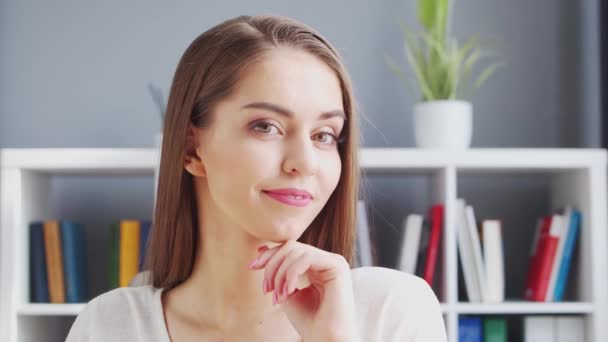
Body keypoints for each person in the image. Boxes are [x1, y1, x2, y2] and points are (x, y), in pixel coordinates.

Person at [66, 14, 447, 342]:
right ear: (191, 149)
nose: (305, 162)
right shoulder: (109, 326)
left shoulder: (391, 310)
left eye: (324, 135)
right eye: (266, 126)